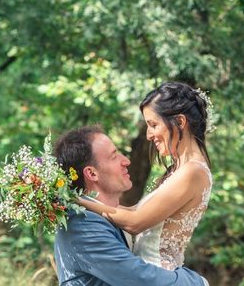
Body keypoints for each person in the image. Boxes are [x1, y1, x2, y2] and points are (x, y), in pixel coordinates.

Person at [79, 82, 213, 270]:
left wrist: (77, 201)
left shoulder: (193, 172)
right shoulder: (180, 169)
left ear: (181, 122)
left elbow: (135, 223)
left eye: (153, 125)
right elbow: (134, 212)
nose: (149, 135)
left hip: (157, 275)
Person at [53, 125, 208, 286]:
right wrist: (198, 282)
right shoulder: (82, 225)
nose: (126, 161)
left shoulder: (104, 216)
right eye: (114, 157)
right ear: (92, 173)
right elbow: (140, 279)